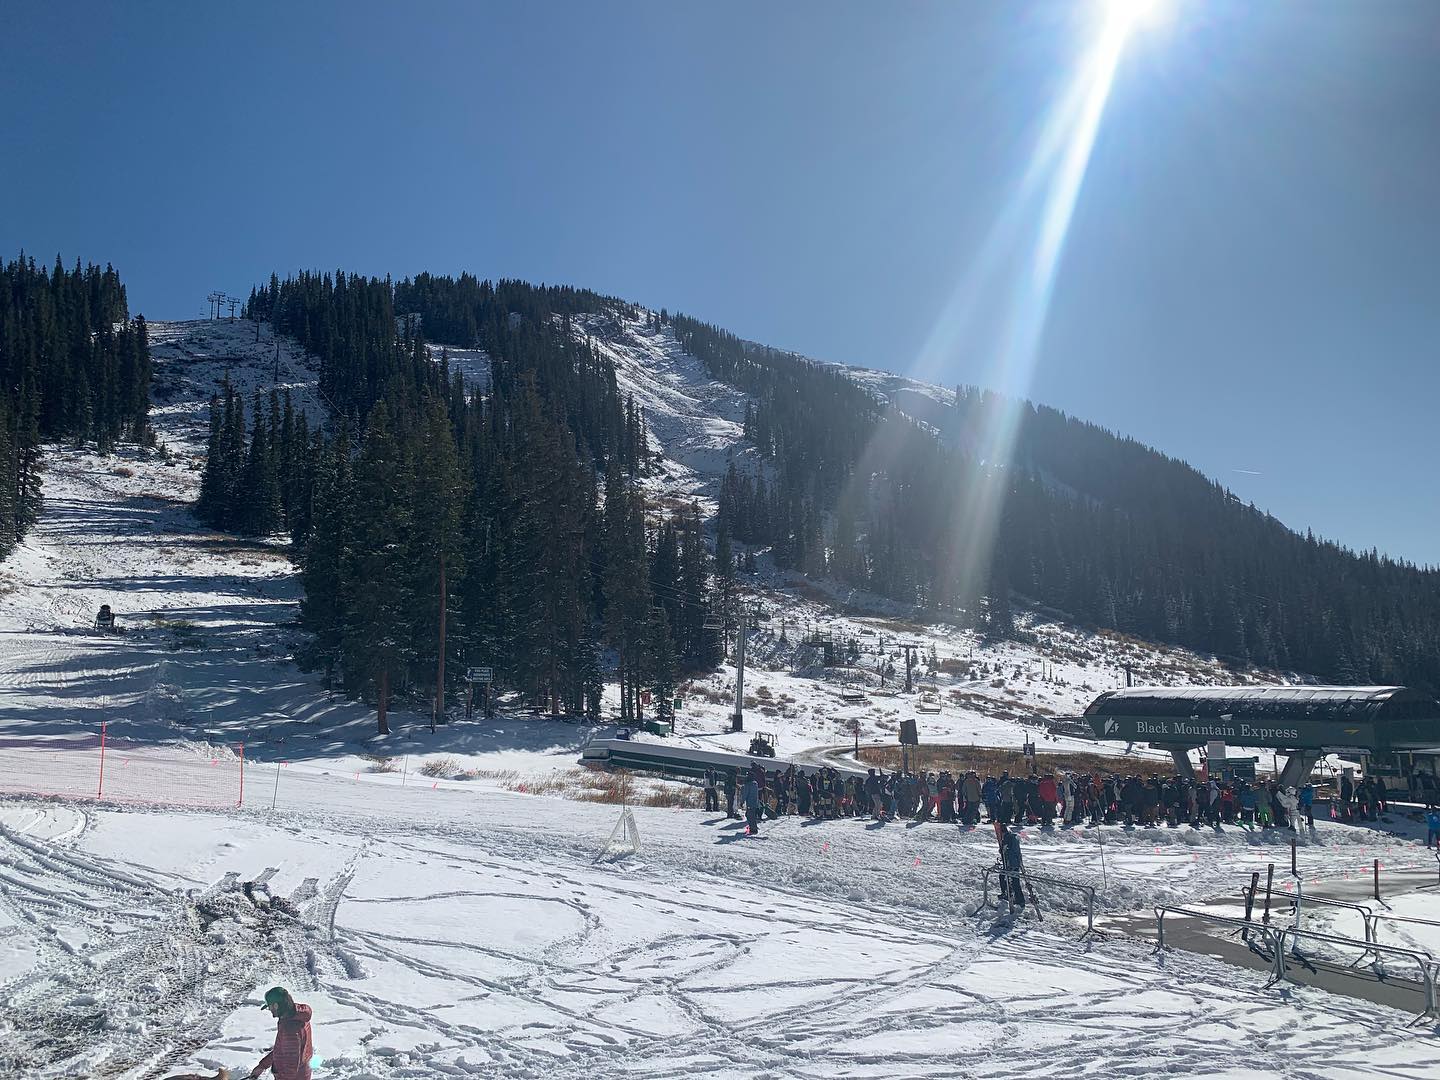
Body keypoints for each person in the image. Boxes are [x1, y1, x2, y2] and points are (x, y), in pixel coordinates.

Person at [250, 986, 313, 1080]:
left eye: (270, 1007)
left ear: (276, 1006)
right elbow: (281, 1049)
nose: (270, 1011)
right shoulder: (295, 1014)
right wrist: (262, 1066)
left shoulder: (290, 1028)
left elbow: (291, 1066)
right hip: (302, 1073)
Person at [996, 821, 1025, 912]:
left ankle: (1014, 897)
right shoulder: (1012, 836)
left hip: (1011, 863)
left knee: (1012, 880)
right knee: (1011, 879)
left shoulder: (1007, 838)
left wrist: (1002, 851)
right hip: (1014, 862)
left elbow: (1006, 851)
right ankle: (1014, 896)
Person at [742, 771, 763, 835]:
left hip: (750, 802)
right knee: (751, 815)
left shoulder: (748, 784)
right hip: (755, 802)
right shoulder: (755, 783)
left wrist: (742, 801)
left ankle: (753, 829)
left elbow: (745, 794)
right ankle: (753, 828)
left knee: (749, 815)